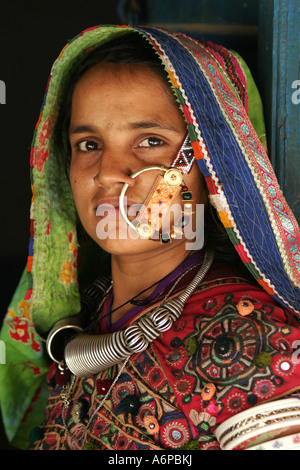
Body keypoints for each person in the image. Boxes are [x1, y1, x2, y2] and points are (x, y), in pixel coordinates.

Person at [0, 24, 299, 451]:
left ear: (213, 164)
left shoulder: (256, 340)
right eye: (88, 144)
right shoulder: (79, 325)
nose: (106, 172)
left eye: (150, 141)